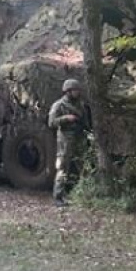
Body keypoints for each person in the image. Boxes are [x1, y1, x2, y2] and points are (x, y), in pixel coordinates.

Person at [48, 78, 91, 207]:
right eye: (75, 90)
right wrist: (65, 118)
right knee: (63, 167)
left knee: (83, 166)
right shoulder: (59, 105)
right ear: (68, 91)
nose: (78, 92)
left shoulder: (81, 105)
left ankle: (82, 194)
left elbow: (86, 122)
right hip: (65, 138)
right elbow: (51, 122)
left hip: (79, 137)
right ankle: (58, 196)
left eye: (78, 90)